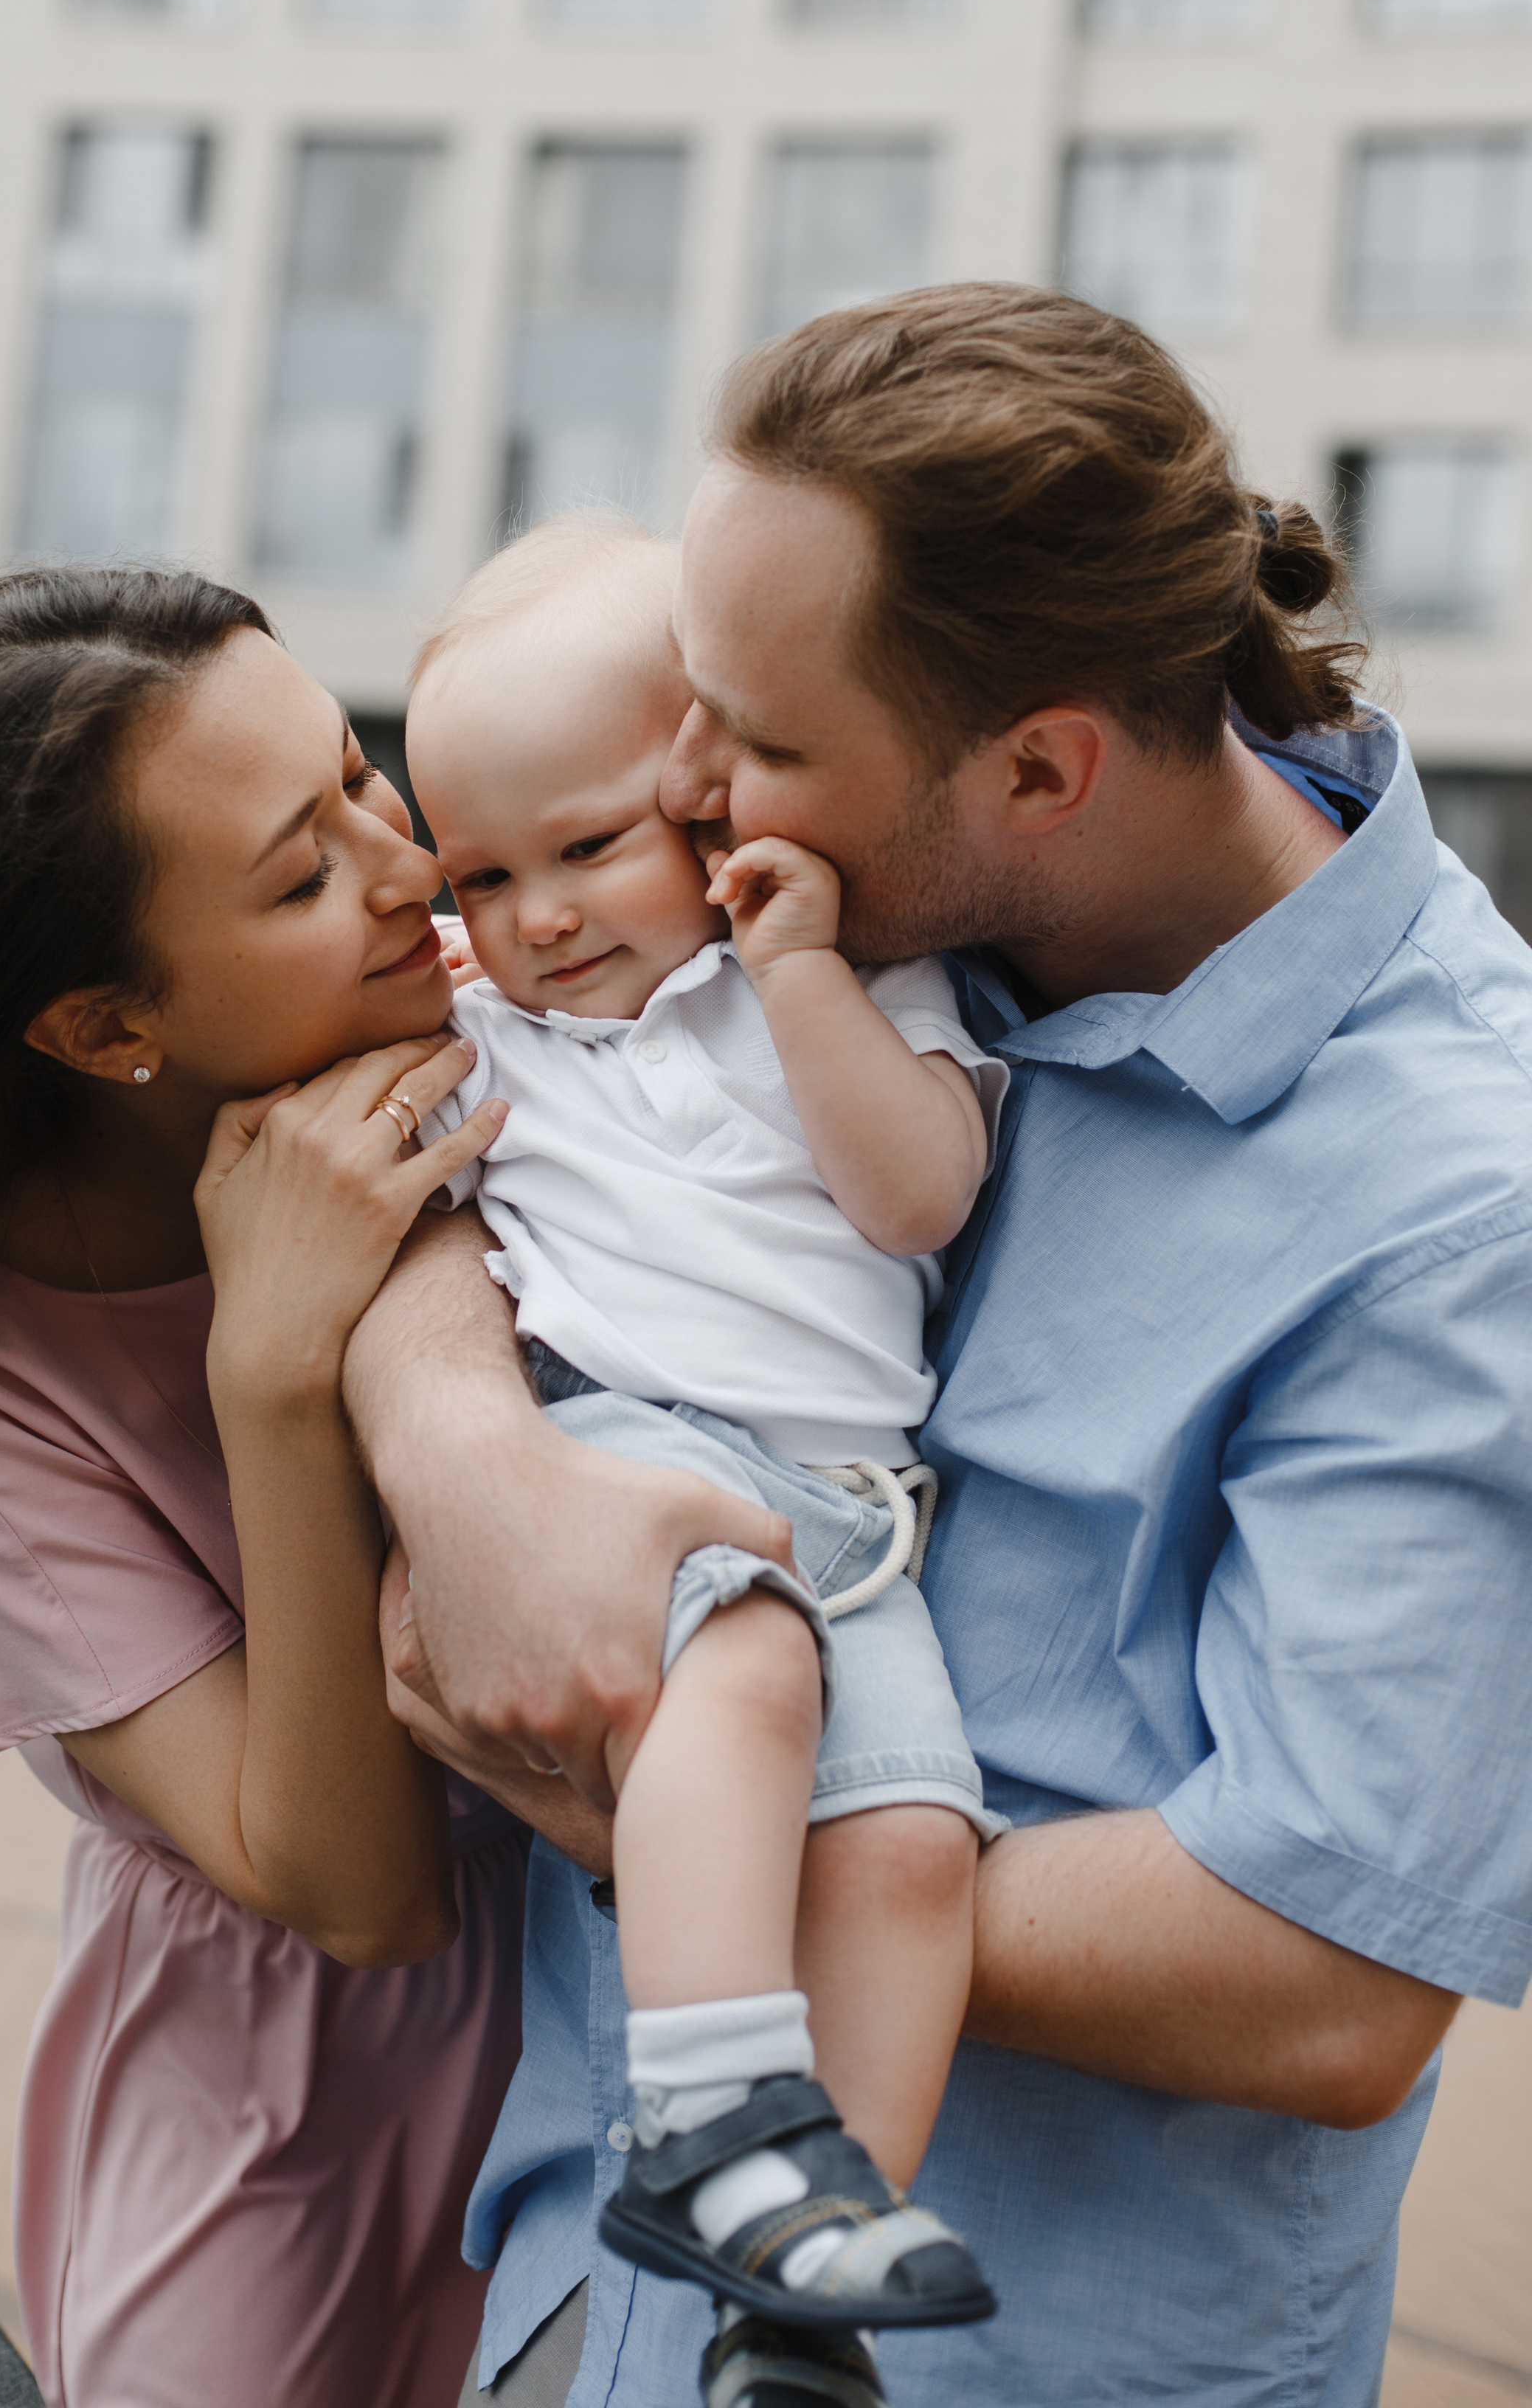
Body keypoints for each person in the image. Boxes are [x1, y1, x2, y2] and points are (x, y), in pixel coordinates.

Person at [339, 287, 1532, 2408]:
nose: (685, 782)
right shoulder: (848, 901)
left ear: (1043, 769)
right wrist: (464, 1449)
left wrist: (706, 1812)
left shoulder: (1470, 1195)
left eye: (760, 742)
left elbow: (1322, 1979)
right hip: (568, 2300)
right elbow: (463, 1129)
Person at [0, 567, 538, 2408]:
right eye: (299, 876)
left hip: (602, 2036)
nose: (406, 870)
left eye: (362, 780)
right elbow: (355, 1894)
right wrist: (273, 1375)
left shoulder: (494, 1015)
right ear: (100, 1023)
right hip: (275, 2138)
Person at [403, 522, 1008, 2364]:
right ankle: (707, 2121)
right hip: (628, 1457)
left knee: (910, 1846)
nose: (543, 916)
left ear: (701, 793)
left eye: (585, 847)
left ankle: (804, 2263)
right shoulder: (492, 1027)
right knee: (740, 1694)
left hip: (844, 1510)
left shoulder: (817, 987)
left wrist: (807, 974)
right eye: (485, 873)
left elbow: (912, 1200)